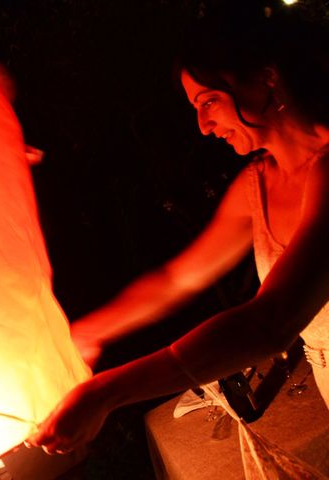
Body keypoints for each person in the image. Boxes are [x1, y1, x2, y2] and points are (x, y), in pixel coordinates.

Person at [27, 1, 329, 456]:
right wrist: (87, 333)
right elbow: (176, 279)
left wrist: (106, 392)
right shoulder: (258, 183)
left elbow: (270, 324)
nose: (205, 127)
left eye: (209, 102)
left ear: (266, 77)